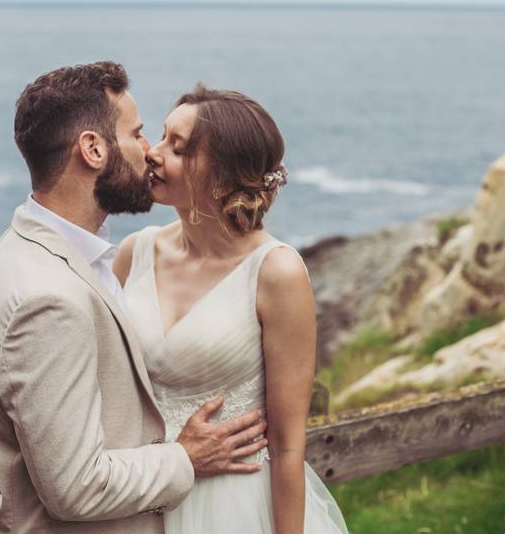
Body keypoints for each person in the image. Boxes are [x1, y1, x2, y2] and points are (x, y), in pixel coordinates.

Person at [0, 62, 269, 534]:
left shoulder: (34, 246)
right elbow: (76, 488)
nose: (149, 153)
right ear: (93, 149)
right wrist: (185, 457)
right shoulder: (50, 297)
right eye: (137, 135)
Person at [114, 85, 350, 533]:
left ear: (223, 176)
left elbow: (286, 447)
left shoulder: (276, 273)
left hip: (235, 507)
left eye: (178, 149)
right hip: (143, 498)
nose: (154, 154)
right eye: (161, 137)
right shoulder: (133, 253)